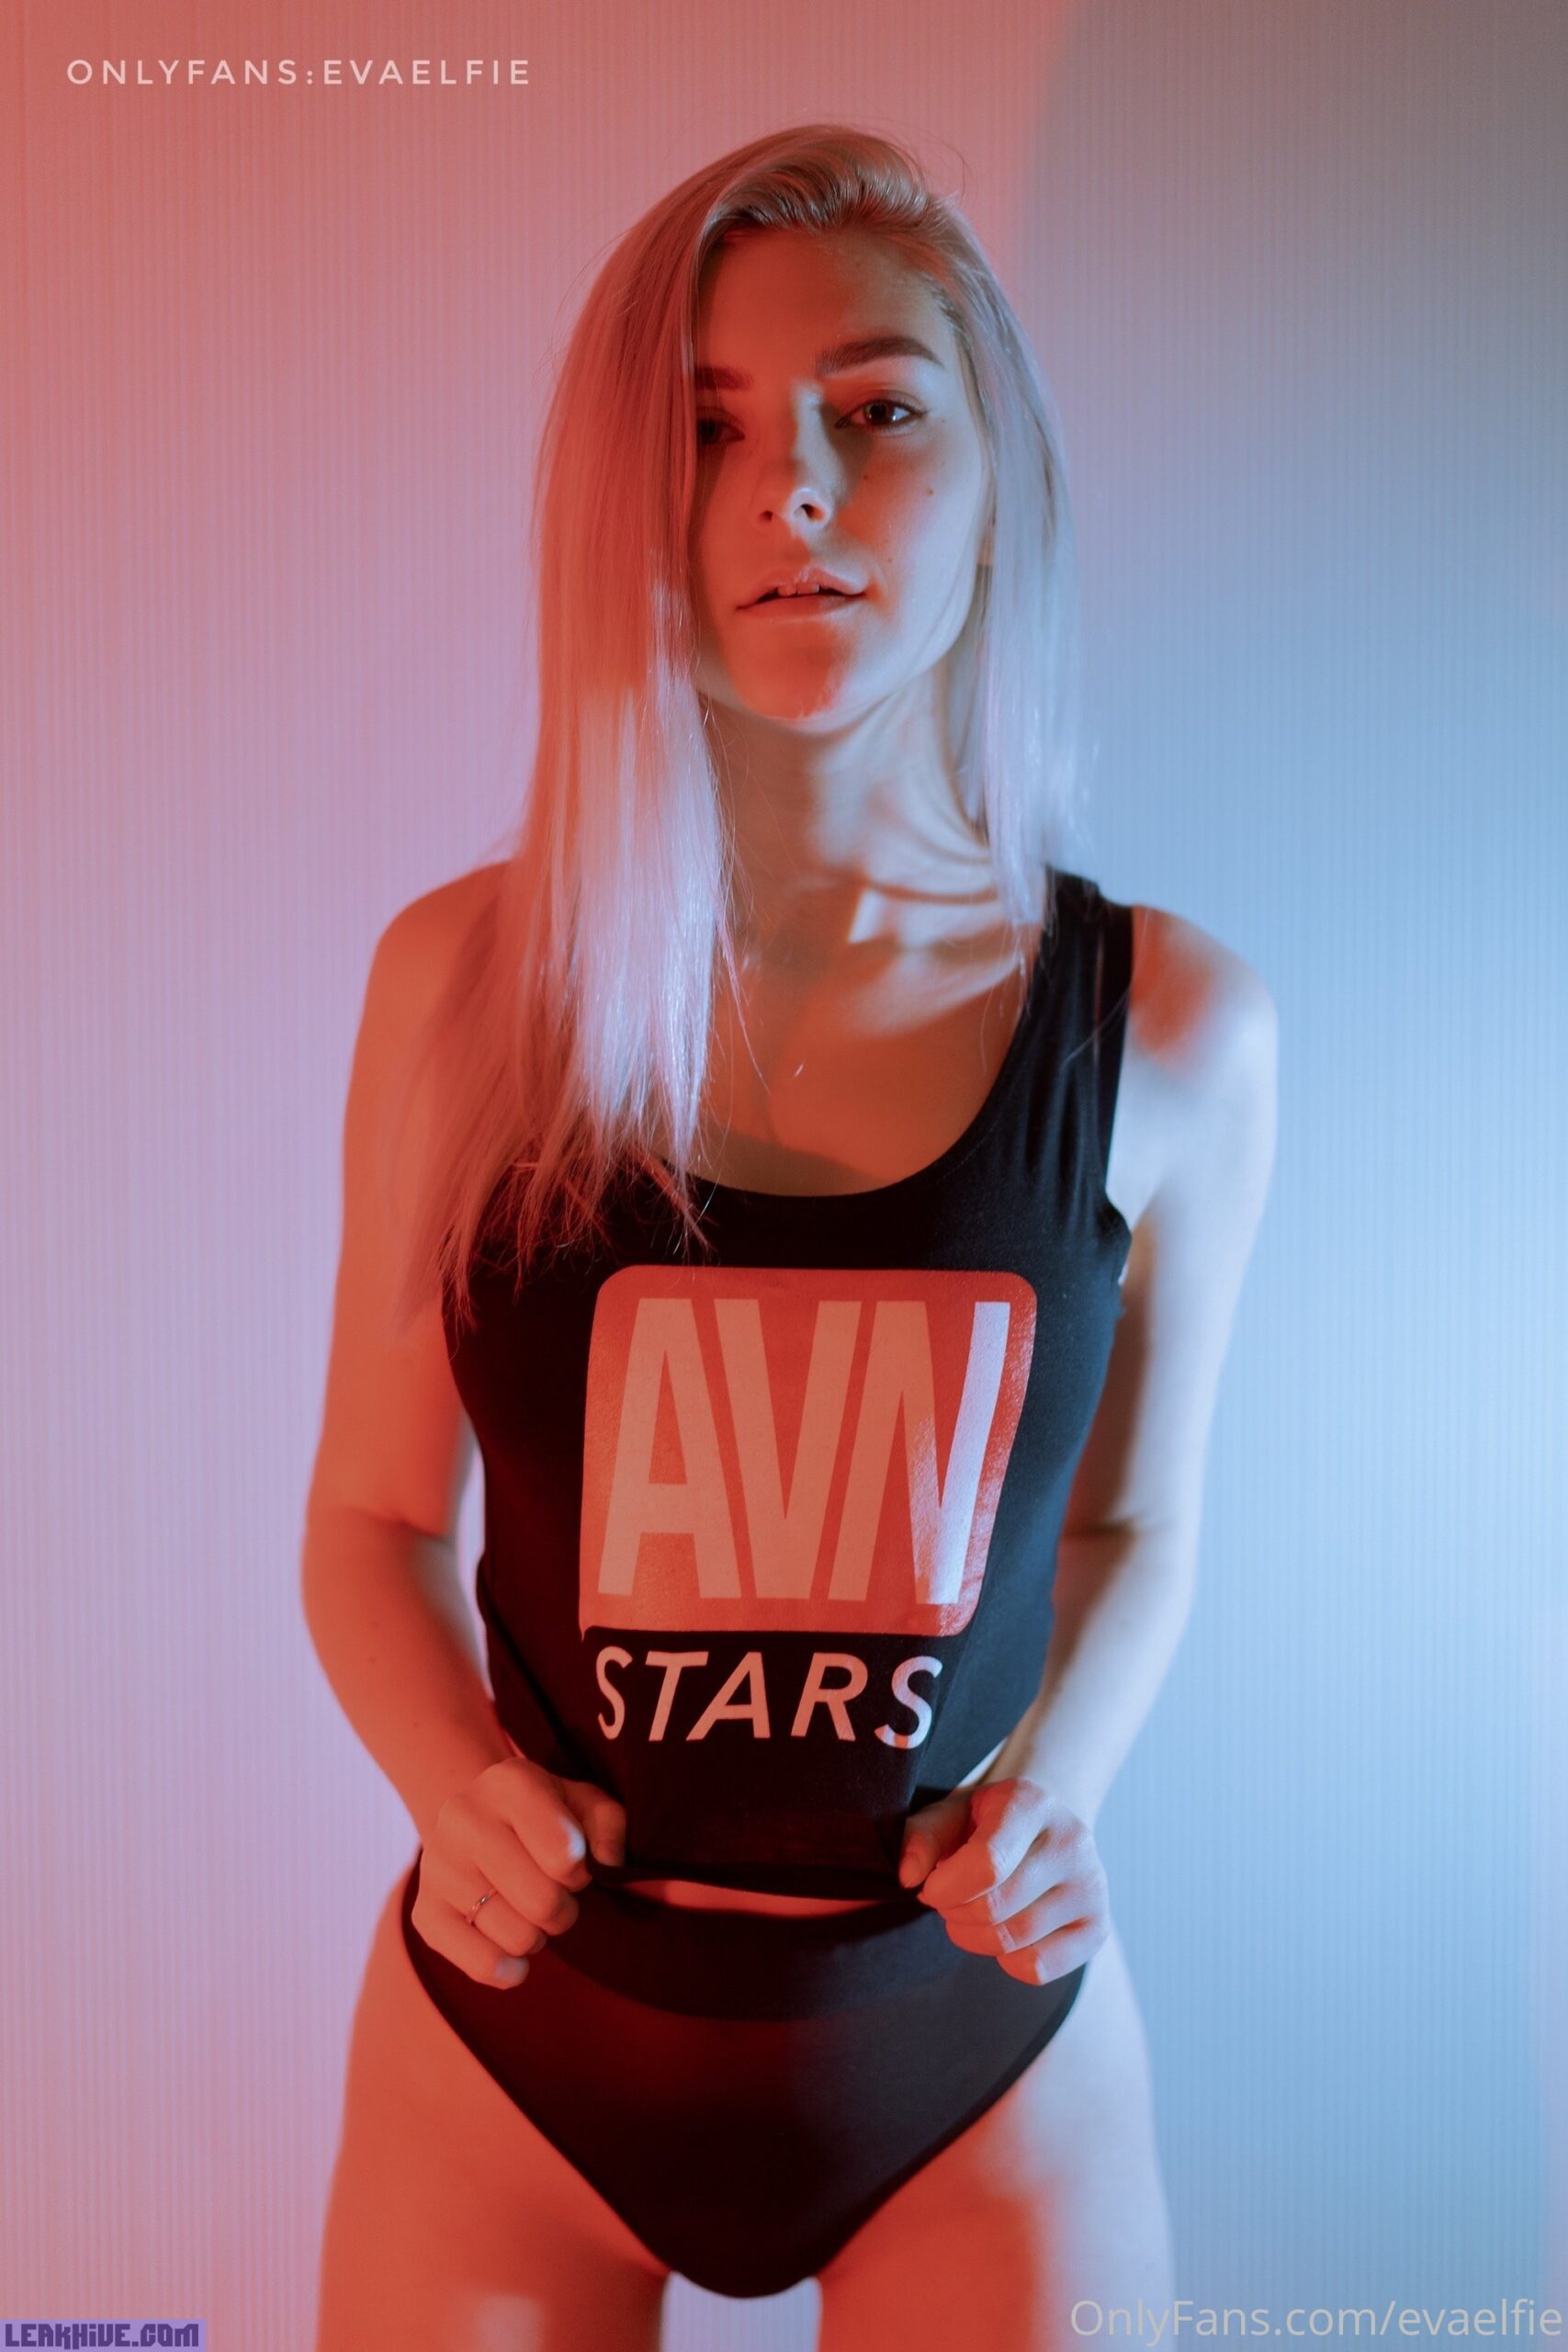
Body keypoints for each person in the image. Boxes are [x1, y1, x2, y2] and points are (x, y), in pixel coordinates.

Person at [304, 122, 1276, 2349]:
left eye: (875, 411)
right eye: (709, 429)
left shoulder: (1171, 1029)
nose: (794, 492)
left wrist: (1056, 1791)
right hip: (515, 2046)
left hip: (977, 2060)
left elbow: (1134, 1523)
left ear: (994, 475)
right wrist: (455, 1785)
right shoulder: (465, 991)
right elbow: (368, 1518)